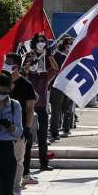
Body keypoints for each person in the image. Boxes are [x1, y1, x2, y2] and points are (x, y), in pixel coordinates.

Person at [25, 33, 58, 174]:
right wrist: (29, 63)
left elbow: (55, 68)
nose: (35, 62)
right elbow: (23, 71)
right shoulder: (26, 77)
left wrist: (49, 55)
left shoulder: (44, 76)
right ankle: (25, 168)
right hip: (28, 109)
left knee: (43, 137)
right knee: (27, 138)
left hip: (41, 108)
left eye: (43, 41)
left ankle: (44, 163)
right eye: (38, 41)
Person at [5, 52, 37, 195]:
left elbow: (30, 109)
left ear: (16, 66)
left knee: (18, 160)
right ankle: (1, 189)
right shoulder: (0, 81)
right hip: (1, 129)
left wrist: (27, 128)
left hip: (19, 129)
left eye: (9, 62)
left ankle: (16, 190)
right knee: (2, 161)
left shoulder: (26, 85)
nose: (5, 65)